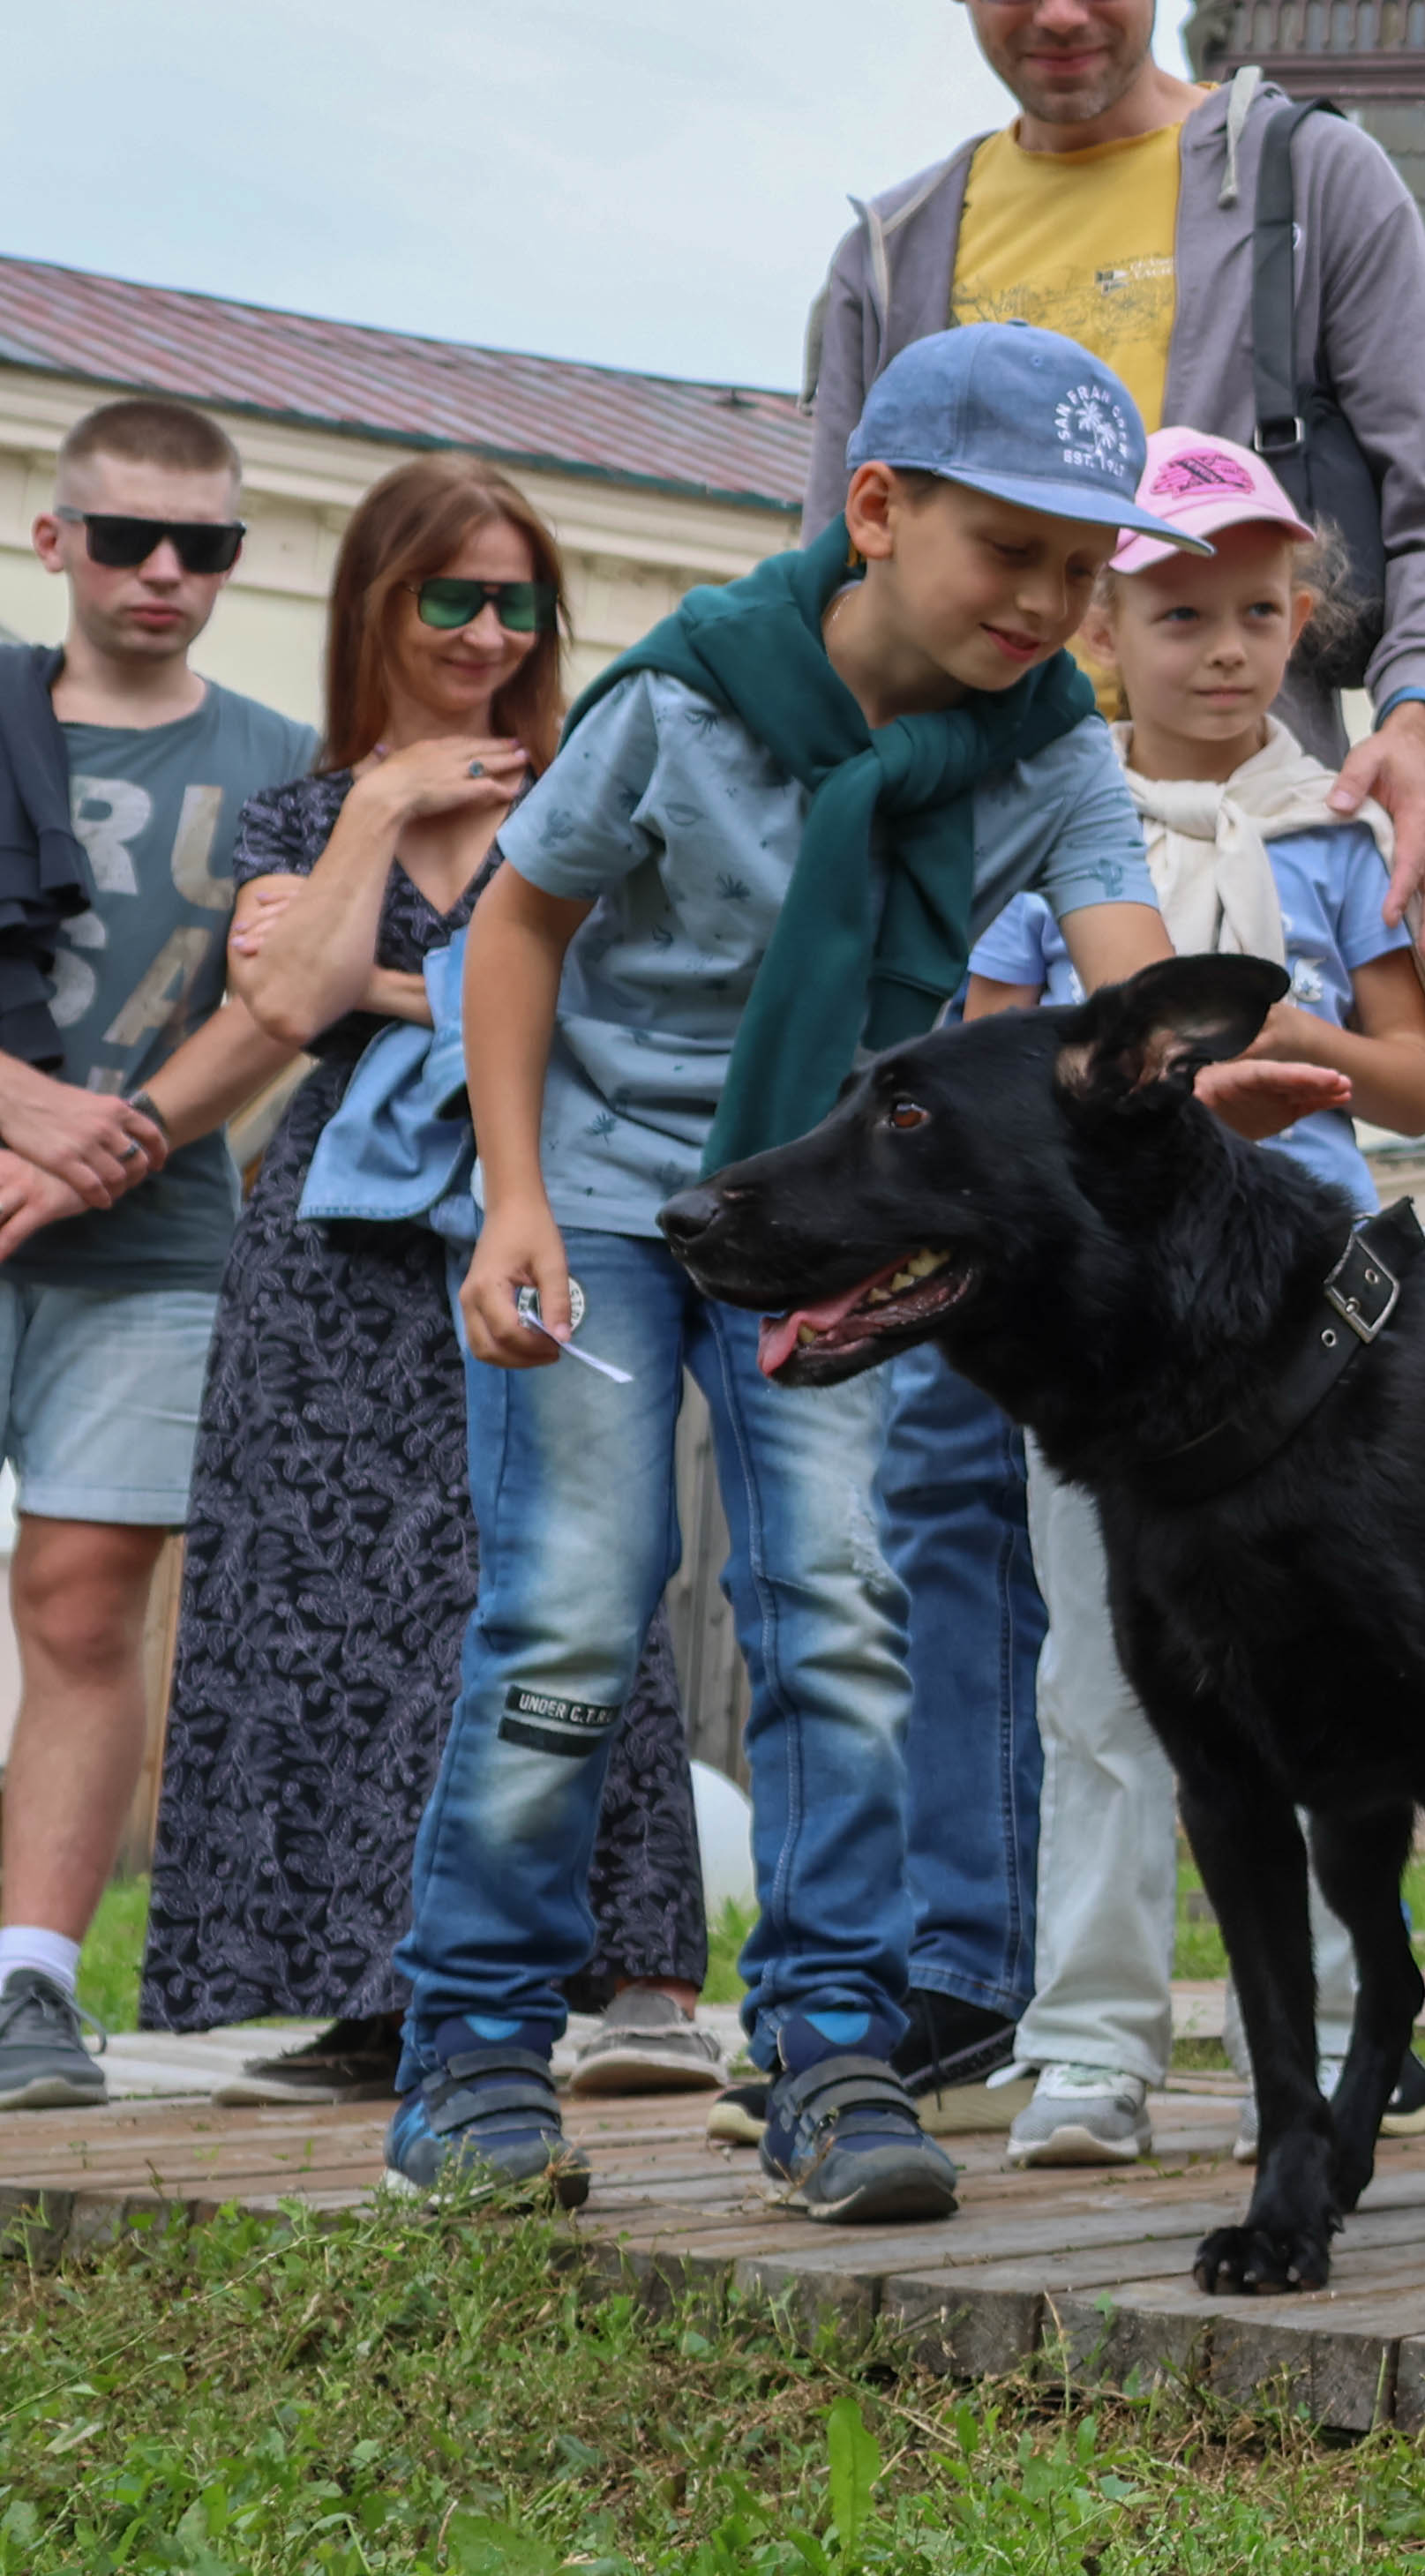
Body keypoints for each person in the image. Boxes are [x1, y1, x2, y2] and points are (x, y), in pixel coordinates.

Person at [388, 328, 1312, 2217]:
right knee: (574, 1604)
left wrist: (1184, 1082)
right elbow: (514, 933)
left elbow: (1117, 982)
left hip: (833, 1209)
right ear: (879, 513)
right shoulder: (686, 704)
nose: (1050, 604)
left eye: (1084, 569)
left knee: (841, 1606)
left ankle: (827, 2045)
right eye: (1012, 553)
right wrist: (508, 1198)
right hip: (604, 1180)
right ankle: (472, 2052)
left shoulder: (1047, 742)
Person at [800, 0, 1425, 2119]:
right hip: (961, 882)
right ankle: (982, 1981)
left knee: (1277, 1526)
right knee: (947, 1495)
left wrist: (1401, 725)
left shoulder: (1306, 189)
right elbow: (843, 585)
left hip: (1245, 856)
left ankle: (1351, 2017)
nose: (1061, 11)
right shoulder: (900, 247)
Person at [140, 454, 719, 2108]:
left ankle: (641, 1980)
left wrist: (399, 982)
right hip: (339, 1260)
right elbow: (287, 1004)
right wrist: (387, 807)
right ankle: (375, 1992)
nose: (482, 629)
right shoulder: (311, 808)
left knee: (568, 1576)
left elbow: (608, 1002)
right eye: (445, 596)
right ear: (378, 607)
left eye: (513, 598)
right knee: (334, 1607)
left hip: (559, 1211)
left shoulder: (594, 782)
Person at [955, 427, 1425, 2170]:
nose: (1227, 649)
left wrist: (1292, 1033)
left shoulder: (1329, 829)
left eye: (1258, 610)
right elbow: (985, 1069)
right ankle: (1091, 2039)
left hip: (1315, 1321)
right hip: (1108, 1330)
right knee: (1100, 1677)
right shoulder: (1047, 830)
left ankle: (1341, 2026)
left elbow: (1421, 1081)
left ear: (1303, 615)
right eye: (1181, 615)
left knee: (1331, 1674)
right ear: (1108, 627)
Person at [0, 401, 312, 2107]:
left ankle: (30, 1984)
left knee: (84, 1599)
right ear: (56, 543)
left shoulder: (278, 759)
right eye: (127, 538)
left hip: (159, 1239)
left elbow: (291, 1003)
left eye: (207, 546)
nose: (166, 574)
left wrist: (113, 1140)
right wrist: (27, 1112)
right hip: (31, 1182)